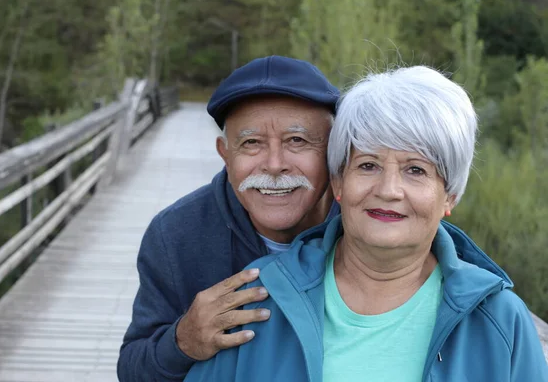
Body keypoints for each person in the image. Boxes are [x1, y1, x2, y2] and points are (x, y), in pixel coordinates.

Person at [184, 66, 548, 381]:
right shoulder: (259, 297)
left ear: (449, 195)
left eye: (416, 170)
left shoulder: (501, 320)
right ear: (339, 182)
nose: (389, 190)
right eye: (368, 165)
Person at [117, 56, 341, 381]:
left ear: (332, 150)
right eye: (252, 143)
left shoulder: (365, 226)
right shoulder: (176, 234)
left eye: (297, 141)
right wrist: (182, 341)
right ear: (225, 153)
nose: (275, 164)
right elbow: (132, 370)